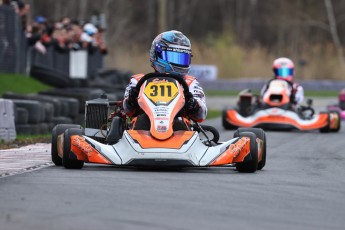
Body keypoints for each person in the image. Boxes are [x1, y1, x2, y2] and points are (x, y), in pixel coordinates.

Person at [123, 30, 207, 130]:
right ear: (157, 54)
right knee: (141, 120)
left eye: (182, 58)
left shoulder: (190, 83)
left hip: (180, 133)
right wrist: (132, 99)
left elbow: (201, 115)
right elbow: (128, 110)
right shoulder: (138, 81)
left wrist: (192, 104)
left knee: (180, 122)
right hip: (142, 130)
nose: (179, 63)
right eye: (174, 57)